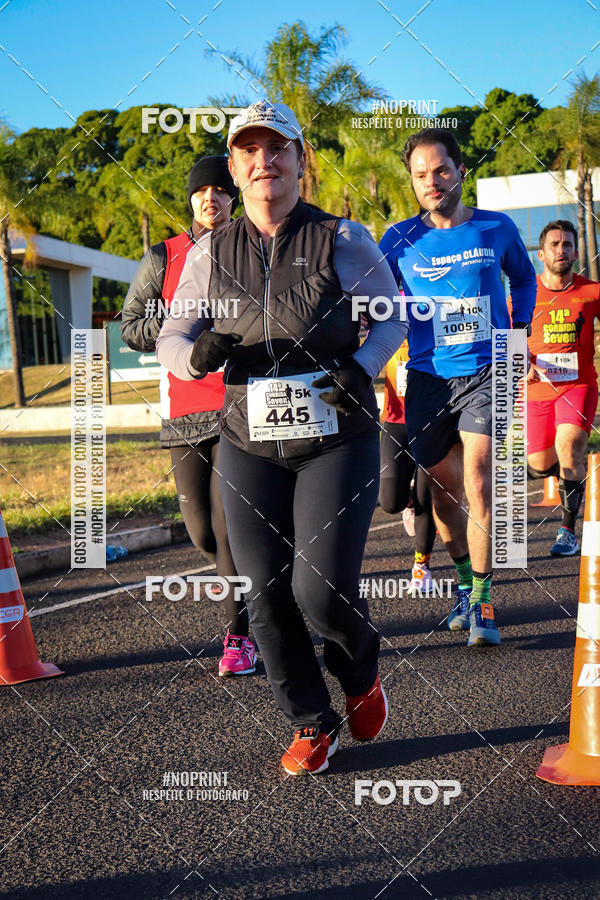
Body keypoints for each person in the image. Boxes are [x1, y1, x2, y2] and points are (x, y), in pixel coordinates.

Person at [157, 100, 407, 775]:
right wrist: (194, 354)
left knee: (319, 590)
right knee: (261, 586)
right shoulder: (211, 252)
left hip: (336, 435)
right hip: (246, 438)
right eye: (249, 152)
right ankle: (310, 721)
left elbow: (393, 316)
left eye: (278, 149)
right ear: (235, 169)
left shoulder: (342, 238)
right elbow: (172, 336)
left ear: (300, 161)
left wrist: (361, 366)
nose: (264, 161)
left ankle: (358, 672)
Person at [380, 128, 537, 647]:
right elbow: (377, 297)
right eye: (420, 175)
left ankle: (485, 601)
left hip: (487, 369)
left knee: (478, 478)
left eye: (441, 170)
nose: (432, 182)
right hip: (426, 376)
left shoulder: (496, 228)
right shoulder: (399, 239)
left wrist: (519, 329)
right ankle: (465, 584)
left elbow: (524, 277)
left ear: (460, 171)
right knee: (444, 490)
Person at [121, 156, 258, 678]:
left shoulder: (252, 247)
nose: (211, 199)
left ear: (234, 197)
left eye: (220, 190)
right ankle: (259, 591)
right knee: (201, 531)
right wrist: (182, 329)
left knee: (227, 530)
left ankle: (239, 637)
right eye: (201, 191)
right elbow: (131, 322)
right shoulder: (164, 256)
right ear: (190, 200)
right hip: (182, 409)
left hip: (238, 405)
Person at [523, 220, 600, 555]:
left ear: (576, 252)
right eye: (555, 244)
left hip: (578, 385)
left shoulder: (591, 292)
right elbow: (511, 333)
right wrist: (520, 363)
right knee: (539, 465)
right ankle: (570, 476)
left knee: (569, 445)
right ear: (542, 253)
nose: (561, 250)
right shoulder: (525, 293)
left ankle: (567, 532)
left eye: (567, 244)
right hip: (537, 390)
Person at [379, 341, 437, 593]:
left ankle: (421, 567)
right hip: (396, 419)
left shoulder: (441, 306)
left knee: (428, 496)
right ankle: (409, 501)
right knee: (390, 503)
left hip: (434, 419)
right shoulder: (387, 309)